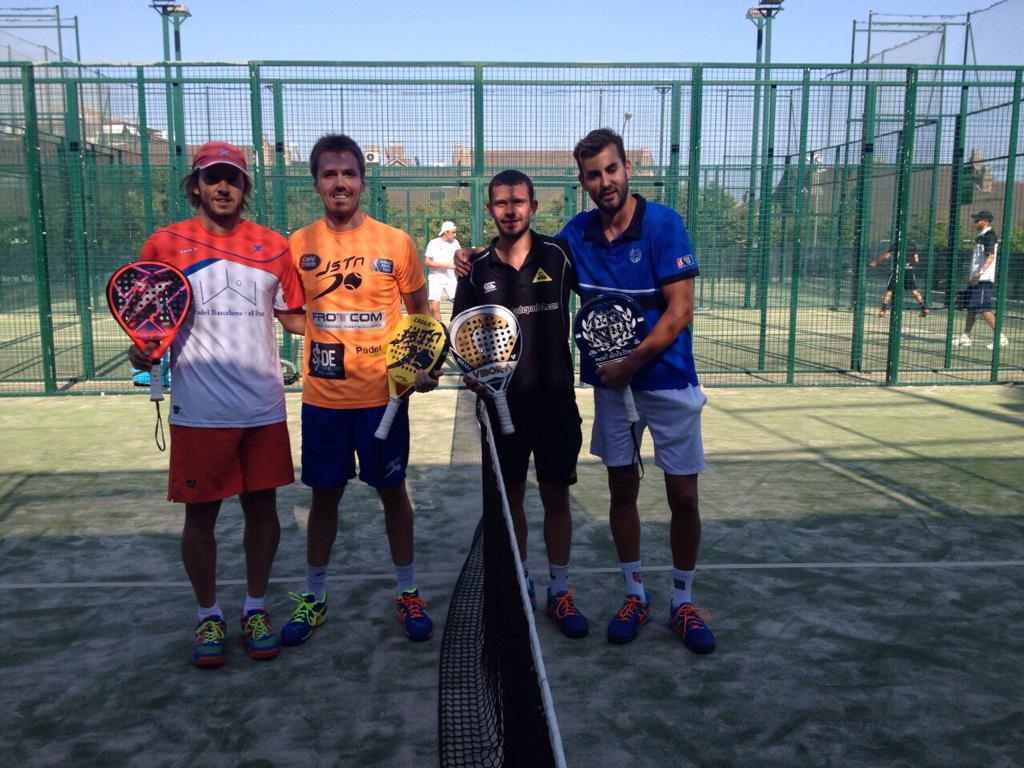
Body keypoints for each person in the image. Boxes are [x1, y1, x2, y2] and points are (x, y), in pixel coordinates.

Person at [128, 141, 305, 668]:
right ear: (196, 186)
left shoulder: (275, 246)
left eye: (232, 178)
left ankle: (253, 608)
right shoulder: (163, 244)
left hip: (263, 406)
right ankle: (209, 614)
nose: (223, 186)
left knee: (262, 509)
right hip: (198, 409)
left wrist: (354, 317)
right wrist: (141, 348)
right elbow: (147, 324)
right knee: (200, 516)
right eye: (212, 178)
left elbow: (295, 316)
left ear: (245, 187)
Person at [276, 133, 440, 646]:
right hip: (323, 402)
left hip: (382, 400)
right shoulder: (298, 245)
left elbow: (420, 316)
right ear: (316, 184)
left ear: (362, 181)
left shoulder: (396, 243)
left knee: (393, 494)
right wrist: (330, 333)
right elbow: (291, 316)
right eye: (329, 174)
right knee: (324, 498)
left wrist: (419, 367)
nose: (340, 183)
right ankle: (315, 596)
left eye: (348, 173)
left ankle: (408, 591)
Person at [558, 128, 715, 654]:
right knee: (621, 488)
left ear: (627, 168)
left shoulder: (665, 224)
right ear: (582, 181)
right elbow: (529, 262)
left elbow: (679, 313)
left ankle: (683, 601)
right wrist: (472, 257)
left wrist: (631, 363)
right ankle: (634, 593)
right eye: (592, 175)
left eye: (610, 169)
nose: (604, 181)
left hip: (667, 379)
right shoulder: (577, 233)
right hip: (610, 385)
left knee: (683, 496)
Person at [452, 169, 588, 639]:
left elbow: (594, 297)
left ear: (532, 206)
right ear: (490, 209)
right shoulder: (477, 266)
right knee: (510, 503)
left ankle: (561, 589)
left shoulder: (560, 255)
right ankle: (521, 584)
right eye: (500, 203)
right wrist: (473, 375)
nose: (510, 210)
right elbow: (463, 334)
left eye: (519, 202)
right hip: (501, 408)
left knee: (556, 496)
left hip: (555, 403)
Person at [953, 210, 1009, 351]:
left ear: (985, 221)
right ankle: (966, 337)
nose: (975, 222)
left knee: (984, 309)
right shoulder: (981, 236)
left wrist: (980, 273)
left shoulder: (990, 236)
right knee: (971, 309)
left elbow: (990, 256)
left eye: (977, 220)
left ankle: (1000, 338)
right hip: (975, 279)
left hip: (983, 279)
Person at [869, 240, 929, 317]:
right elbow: (916, 260)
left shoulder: (897, 244)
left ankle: (883, 310)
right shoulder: (912, 245)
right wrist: (908, 263)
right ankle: (924, 308)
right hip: (909, 270)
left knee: (889, 290)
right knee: (914, 290)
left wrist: (875, 261)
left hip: (898, 270)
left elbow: (886, 256)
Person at [425, 220, 461, 322]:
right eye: (453, 232)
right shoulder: (433, 243)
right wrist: (445, 265)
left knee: (459, 302)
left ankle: (457, 325)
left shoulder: (456, 243)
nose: (455, 234)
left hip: (451, 277)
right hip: (435, 277)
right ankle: (441, 330)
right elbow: (427, 262)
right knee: (434, 306)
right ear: (446, 232)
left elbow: (460, 257)